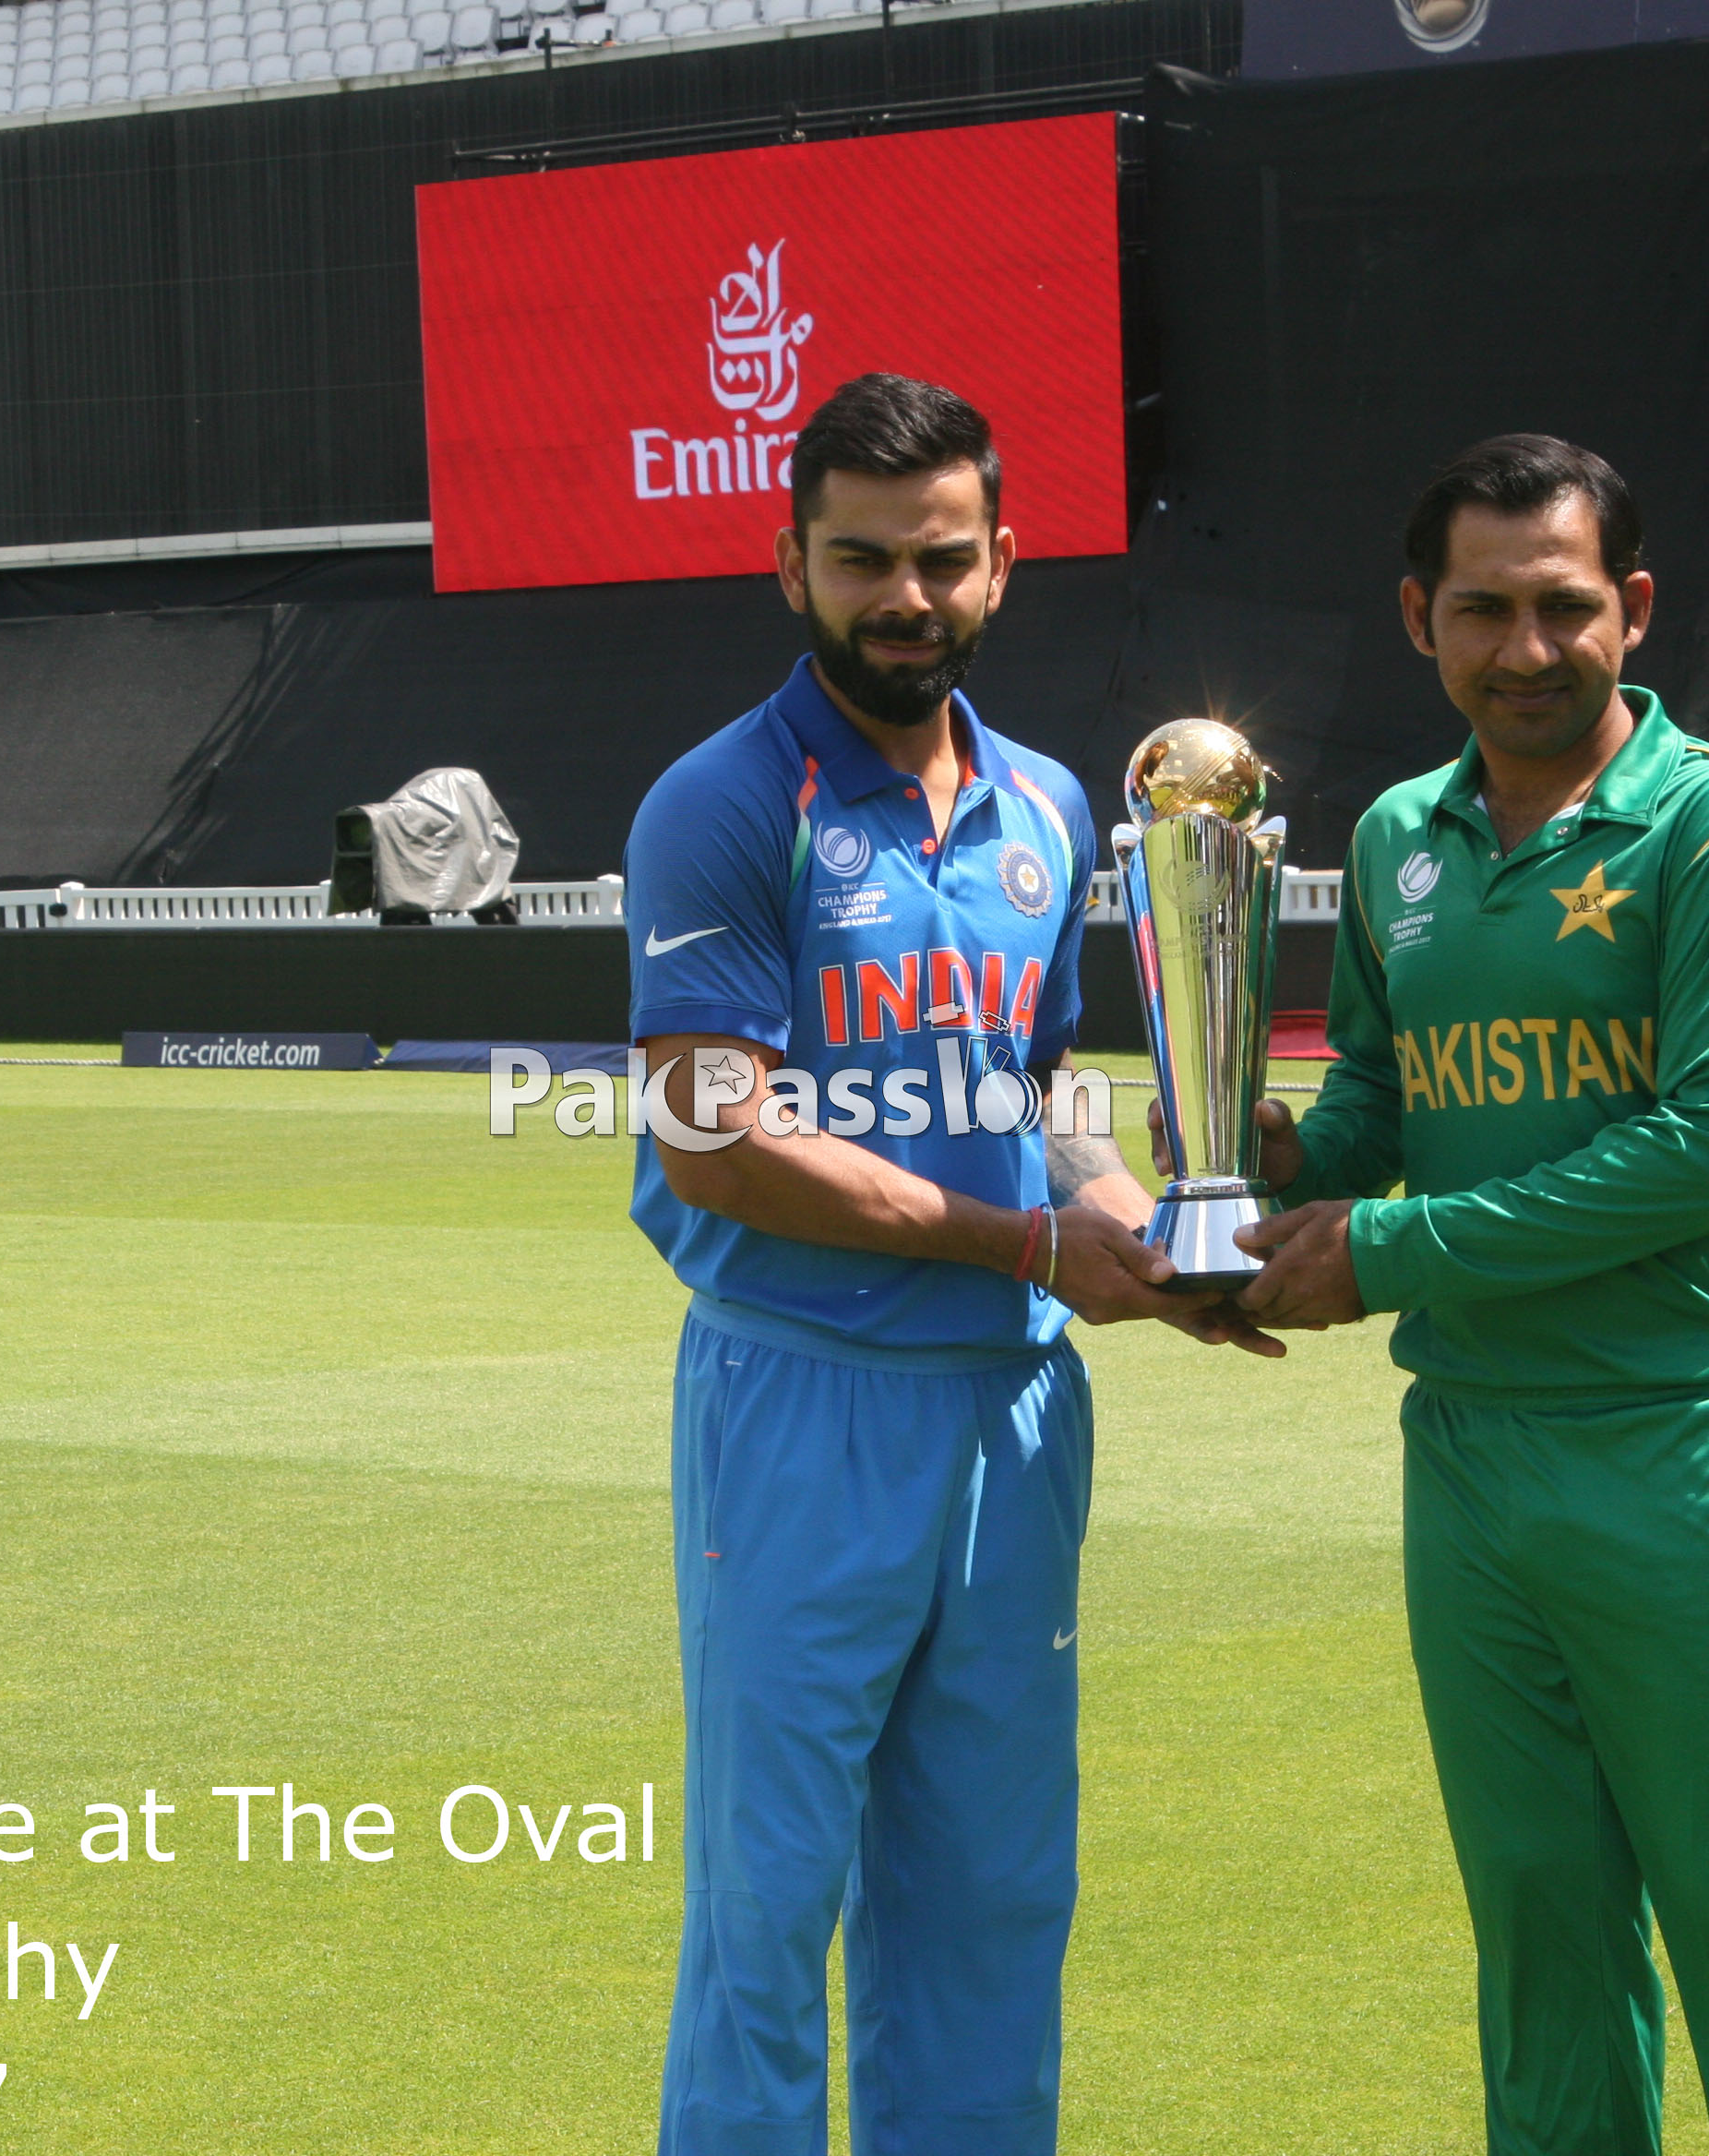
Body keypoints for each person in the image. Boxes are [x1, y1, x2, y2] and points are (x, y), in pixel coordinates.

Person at [1221, 436, 1709, 2153]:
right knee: (1536, 1934)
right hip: (1469, 1454)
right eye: (1481, 611)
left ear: (1633, 608)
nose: (1525, 648)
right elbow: (1385, 1097)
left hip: (1688, 1444)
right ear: (1415, 621)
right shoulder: (1394, 839)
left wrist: (1383, 1250)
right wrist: (1279, 1157)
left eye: (1562, 606)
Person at [623, 372, 1220, 2156]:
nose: (903, 596)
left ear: (1000, 563)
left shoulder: (1046, 805)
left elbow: (1041, 1084)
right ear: (788, 564)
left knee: (989, 1899)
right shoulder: (722, 803)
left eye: (939, 560)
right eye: (860, 560)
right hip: (802, 1399)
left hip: (1013, 1415)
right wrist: (1026, 1237)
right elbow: (711, 1137)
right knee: (767, 1910)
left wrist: (1128, 1218)